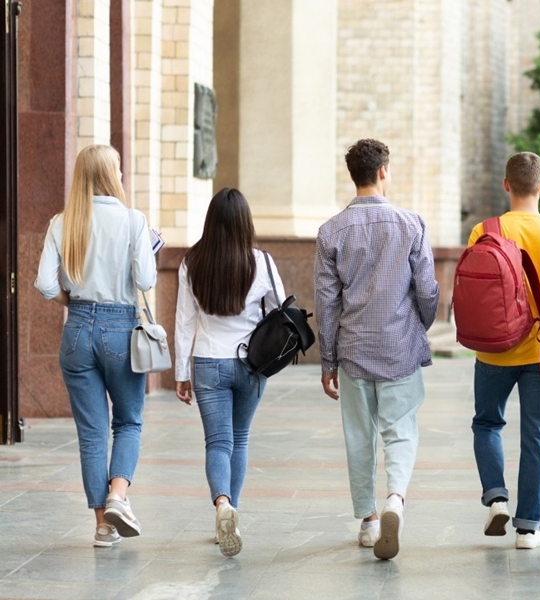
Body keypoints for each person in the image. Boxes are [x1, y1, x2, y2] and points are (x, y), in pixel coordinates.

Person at [315, 138, 439, 561]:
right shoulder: (411, 224)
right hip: (398, 346)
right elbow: (427, 290)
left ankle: (368, 521)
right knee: (400, 427)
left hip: (352, 348)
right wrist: (418, 325)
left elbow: (326, 302)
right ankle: (395, 501)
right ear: (383, 171)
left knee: (358, 434)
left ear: (353, 176)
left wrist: (327, 359)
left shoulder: (331, 231)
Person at [35, 144, 157, 547]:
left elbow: (46, 284)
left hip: (77, 329)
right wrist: (150, 247)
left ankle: (103, 526)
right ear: (110, 174)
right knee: (128, 421)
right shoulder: (133, 221)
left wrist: (74, 303)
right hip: (120, 329)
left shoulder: (62, 222)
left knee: (91, 433)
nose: (122, 176)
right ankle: (118, 496)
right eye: (118, 169)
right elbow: (146, 281)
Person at [469, 151, 540, 550]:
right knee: (537, 436)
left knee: (487, 424)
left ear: (506, 184)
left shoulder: (484, 230)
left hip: (494, 350)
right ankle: (528, 528)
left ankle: (497, 499)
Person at [174, 188, 287, 558]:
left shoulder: (192, 262)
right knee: (239, 438)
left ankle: (223, 504)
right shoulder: (262, 263)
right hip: (251, 365)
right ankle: (231, 511)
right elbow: (278, 313)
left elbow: (184, 323)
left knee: (217, 443)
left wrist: (180, 372)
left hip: (208, 362)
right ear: (245, 221)